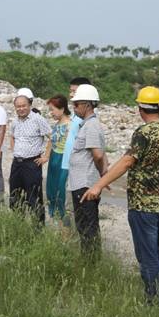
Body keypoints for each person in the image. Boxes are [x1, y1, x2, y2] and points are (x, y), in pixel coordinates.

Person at [83, 86, 159, 304]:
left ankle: (153, 301)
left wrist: (98, 185)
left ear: (140, 109)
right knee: (154, 251)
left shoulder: (143, 133)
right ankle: (156, 294)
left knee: (147, 256)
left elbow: (127, 162)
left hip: (142, 205)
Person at [67, 84, 107, 254]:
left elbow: (98, 154)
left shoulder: (91, 125)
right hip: (81, 183)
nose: (74, 107)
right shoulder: (87, 124)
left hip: (85, 184)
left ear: (88, 105)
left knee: (87, 226)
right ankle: (88, 258)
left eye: (77, 104)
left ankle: (91, 260)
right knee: (83, 225)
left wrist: (102, 175)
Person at [9, 88, 52, 225]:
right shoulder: (15, 121)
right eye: (18, 106)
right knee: (15, 195)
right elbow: (12, 136)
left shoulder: (38, 119)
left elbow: (52, 137)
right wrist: (15, 150)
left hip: (32, 164)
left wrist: (46, 156)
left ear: (29, 105)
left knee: (34, 196)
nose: (21, 109)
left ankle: (38, 227)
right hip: (17, 163)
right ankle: (18, 224)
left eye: (24, 106)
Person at [61, 77, 93, 223]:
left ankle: (73, 234)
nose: (71, 94)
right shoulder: (76, 114)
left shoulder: (85, 118)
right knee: (68, 205)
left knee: (75, 209)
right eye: (70, 91)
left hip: (79, 171)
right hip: (69, 165)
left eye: (74, 91)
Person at [43, 95, 71, 224]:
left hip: (64, 159)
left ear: (62, 108)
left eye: (52, 109)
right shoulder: (57, 124)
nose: (51, 113)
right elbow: (51, 141)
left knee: (61, 187)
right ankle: (53, 215)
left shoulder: (70, 125)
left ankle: (63, 217)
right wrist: (46, 156)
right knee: (51, 187)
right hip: (54, 158)